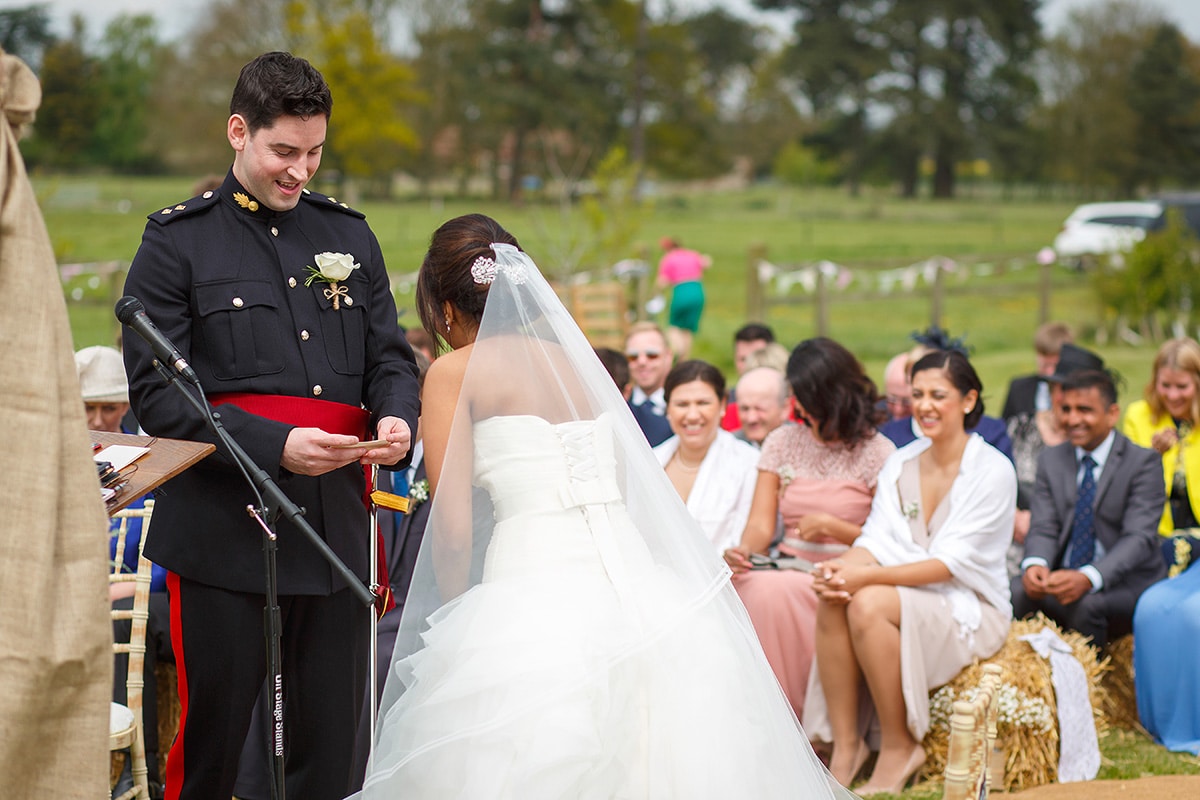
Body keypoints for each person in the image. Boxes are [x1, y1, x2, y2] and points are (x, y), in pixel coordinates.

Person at [355, 215, 855, 799]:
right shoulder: (575, 362)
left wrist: (458, 614)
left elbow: (453, 527)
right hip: (634, 573)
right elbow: (622, 480)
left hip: (530, 571)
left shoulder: (451, 372)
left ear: (441, 307)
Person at [121, 52, 420, 800]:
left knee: (333, 750)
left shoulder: (349, 236)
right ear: (237, 132)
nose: (300, 170)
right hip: (224, 531)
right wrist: (275, 447)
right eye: (284, 151)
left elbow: (391, 357)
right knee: (214, 748)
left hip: (334, 533)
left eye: (314, 152)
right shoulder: (176, 243)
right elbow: (159, 399)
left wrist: (396, 417)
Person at [805, 350, 1015, 795]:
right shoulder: (901, 464)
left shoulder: (992, 471)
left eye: (939, 395)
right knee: (836, 591)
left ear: (969, 399)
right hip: (906, 592)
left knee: (867, 601)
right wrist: (841, 569)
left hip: (970, 603)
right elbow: (878, 542)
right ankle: (847, 746)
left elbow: (950, 564)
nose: (925, 405)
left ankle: (900, 746)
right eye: (918, 394)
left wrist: (864, 578)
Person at [723, 338, 894, 721]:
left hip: (846, 569)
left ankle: (806, 722)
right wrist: (744, 552)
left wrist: (835, 527)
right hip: (788, 561)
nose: (802, 407)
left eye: (808, 396)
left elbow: (888, 538)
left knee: (778, 593)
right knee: (750, 584)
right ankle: (759, 718)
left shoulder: (877, 453)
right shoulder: (782, 442)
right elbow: (760, 524)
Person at [76, 346, 172, 793]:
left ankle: (136, 768)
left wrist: (133, 585)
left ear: (127, 405)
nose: (97, 418)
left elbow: (172, 545)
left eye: (109, 407)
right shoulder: (55, 465)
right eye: (87, 407)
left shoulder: (156, 457)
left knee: (121, 623)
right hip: (75, 594)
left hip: (143, 593)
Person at [1012, 369, 1165, 651]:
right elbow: (1044, 525)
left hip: (1122, 581)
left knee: (1085, 607)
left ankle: (1093, 690)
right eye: (1065, 409)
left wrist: (1089, 576)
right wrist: (1036, 563)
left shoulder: (1143, 463)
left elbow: (1139, 538)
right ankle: (1022, 691)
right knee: (1016, 591)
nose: (1072, 419)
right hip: (1062, 574)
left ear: (1112, 413)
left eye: (1084, 410)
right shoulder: (1051, 460)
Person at [1006, 343, 1106, 577]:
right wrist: (1013, 516)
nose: (1065, 397)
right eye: (1060, 388)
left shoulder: (1095, 443)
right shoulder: (1020, 428)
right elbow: (991, 480)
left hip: (1068, 546)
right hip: (1012, 533)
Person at [653, 360, 761, 553]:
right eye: (682, 404)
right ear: (668, 408)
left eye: (703, 403)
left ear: (723, 405)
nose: (693, 415)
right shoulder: (651, 460)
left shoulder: (748, 462)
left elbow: (745, 537)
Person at [1122, 337, 1200, 572]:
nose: (1173, 395)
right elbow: (1123, 482)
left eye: (1182, 386)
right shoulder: (1139, 416)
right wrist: (1152, 456)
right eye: (1165, 385)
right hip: (1156, 531)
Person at [1000, 322, 1074, 424]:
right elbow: (1005, 426)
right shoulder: (1019, 388)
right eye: (1045, 365)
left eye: (1055, 366)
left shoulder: (1075, 390)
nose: (1050, 372)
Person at [656, 236, 710, 359]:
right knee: (688, 329)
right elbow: (706, 263)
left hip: (681, 291)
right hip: (698, 291)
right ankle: (684, 361)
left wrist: (656, 292)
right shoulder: (692, 254)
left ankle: (678, 350)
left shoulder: (669, 259)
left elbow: (662, 281)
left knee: (674, 326)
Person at [624, 321, 674, 447]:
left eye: (652, 355)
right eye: (633, 356)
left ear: (668, 357)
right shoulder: (619, 403)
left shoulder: (683, 403)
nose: (642, 362)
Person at [722, 322, 776, 431]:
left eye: (757, 358)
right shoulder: (725, 405)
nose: (749, 366)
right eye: (743, 359)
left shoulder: (793, 406)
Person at [733, 365, 793, 447]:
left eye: (759, 409)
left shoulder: (803, 446)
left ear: (784, 408)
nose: (751, 418)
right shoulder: (729, 447)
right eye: (745, 409)